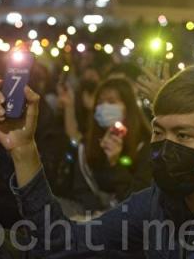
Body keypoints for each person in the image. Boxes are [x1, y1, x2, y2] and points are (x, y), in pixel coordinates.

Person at [0, 65, 194, 258]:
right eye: (159, 132)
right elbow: (61, 242)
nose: (166, 148)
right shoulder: (157, 203)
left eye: (184, 136)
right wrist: (24, 150)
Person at [59, 77, 152, 212]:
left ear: (129, 107)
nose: (103, 107)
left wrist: (116, 164)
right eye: (100, 102)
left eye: (111, 101)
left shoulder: (145, 145)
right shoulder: (88, 145)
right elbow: (81, 190)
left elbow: (139, 202)